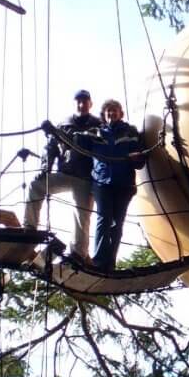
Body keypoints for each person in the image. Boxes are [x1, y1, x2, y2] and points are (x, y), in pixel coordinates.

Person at [23, 89, 100, 260]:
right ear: (74, 104)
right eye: (78, 101)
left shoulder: (98, 124)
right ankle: (29, 229)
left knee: (82, 215)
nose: (81, 105)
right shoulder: (62, 124)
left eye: (85, 101)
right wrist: (45, 168)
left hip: (86, 177)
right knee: (36, 185)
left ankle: (79, 253)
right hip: (65, 172)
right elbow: (50, 147)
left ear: (90, 104)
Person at [73, 98, 145, 272]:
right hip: (102, 183)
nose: (111, 113)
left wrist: (137, 157)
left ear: (121, 114)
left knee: (117, 224)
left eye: (115, 110)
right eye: (108, 111)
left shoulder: (131, 132)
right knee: (104, 219)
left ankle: (110, 263)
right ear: (104, 116)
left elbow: (140, 160)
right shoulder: (95, 132)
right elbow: (77, 142)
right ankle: (99, 262)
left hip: (124, 184)